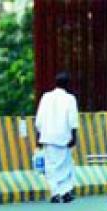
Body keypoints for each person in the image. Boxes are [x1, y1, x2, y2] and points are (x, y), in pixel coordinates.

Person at [35, 72, 80, 203]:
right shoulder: (70, 98)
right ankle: (65, 191)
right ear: (67, 84)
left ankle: (55, 193)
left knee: (51, 167)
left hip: (48, 137)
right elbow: (73, 120)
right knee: (65, 165)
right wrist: (74, 137)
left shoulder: (46, 97)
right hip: (63, 137)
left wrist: (38, 137)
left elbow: (39, 120)